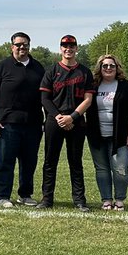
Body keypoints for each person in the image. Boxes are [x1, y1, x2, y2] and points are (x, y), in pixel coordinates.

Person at [0, 32, 45, 208]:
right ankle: (2, 196)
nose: (21, 47)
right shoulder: (3, 66)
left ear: (29, 46)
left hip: (32, 124)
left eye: (25, 44)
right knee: (4, 161)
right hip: (7, 123)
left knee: (29, 162)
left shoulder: (38, 68)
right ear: (12, 47)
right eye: (18, 44)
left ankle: (25, 194)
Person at [36, 35, 95, 211]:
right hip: (55, 121)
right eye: (64, 45)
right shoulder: (52, 70)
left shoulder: (84, 72)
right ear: (60, 48)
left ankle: (79, 200)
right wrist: (59, 117)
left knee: (75, 161)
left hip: (76, 120)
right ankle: (47, 199)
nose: (68, 48)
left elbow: (88, 99)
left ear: (77, 48)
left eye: (71, 45)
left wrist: (73, 117)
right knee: (50, 161)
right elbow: (45, 99)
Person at [85, 54, 128, 211]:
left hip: (121, 137)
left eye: (112, 66)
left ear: (117, 68)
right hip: (97, 136)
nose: (108, 68)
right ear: (99, 68)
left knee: (120, 168)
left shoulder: (126, 87)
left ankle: (120, 199)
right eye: (105, 66)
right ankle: (107, 200)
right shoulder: (93, 86)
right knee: (102, 169)